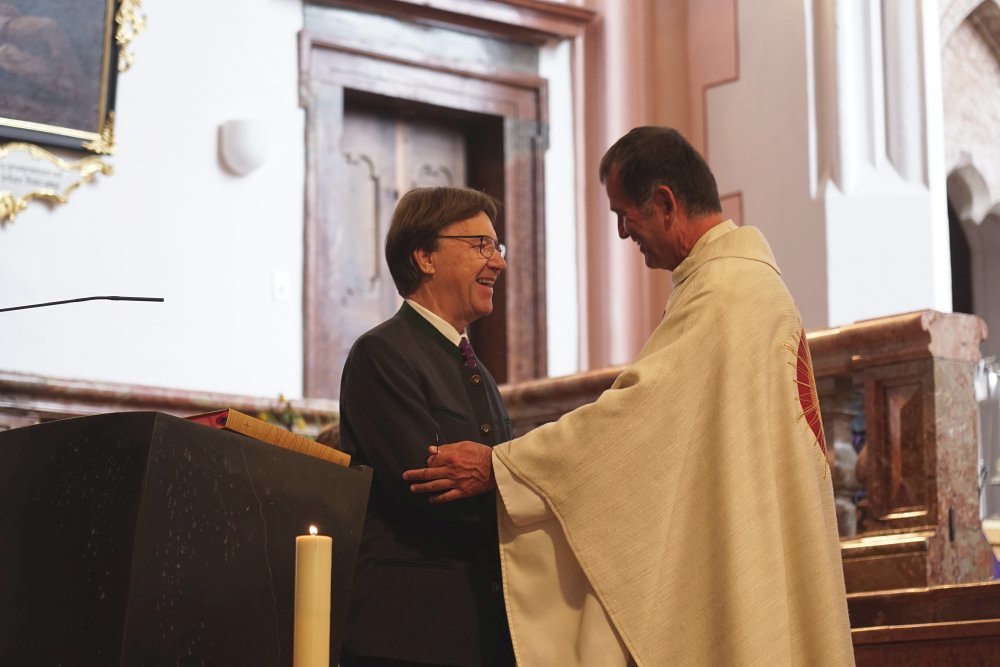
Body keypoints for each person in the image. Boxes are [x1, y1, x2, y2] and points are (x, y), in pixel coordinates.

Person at [404, 127, 856, 666]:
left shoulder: (724, 295)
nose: (622, 232)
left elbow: (631, 423)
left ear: (665, 202)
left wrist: (501, 468)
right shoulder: (749, 287)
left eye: (624, 214)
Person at [338, 186, 515, 667]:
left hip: (481, 634)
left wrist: (504, 476)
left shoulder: (478, 372)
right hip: (409, 634)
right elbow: (429, 488)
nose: (498, 262)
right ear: (425, 256)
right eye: (481, 245)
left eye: (497, 246)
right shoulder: (381, 353)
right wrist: (527, 487)